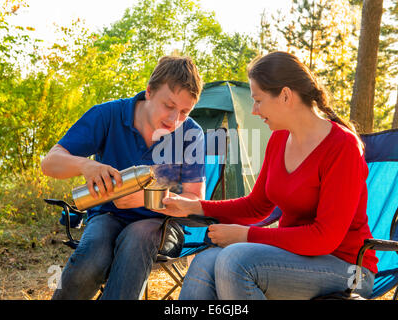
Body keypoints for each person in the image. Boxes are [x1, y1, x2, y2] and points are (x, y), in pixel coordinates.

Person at [157, 51, 378, 300]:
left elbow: (325, 238)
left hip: (352, 271)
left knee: (236, 260)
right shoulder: (279, 139)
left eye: (258, 100)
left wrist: (246, 235)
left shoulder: (342, 147)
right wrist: (195, 206)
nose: (253, 110)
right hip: (297, 259)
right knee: (205, 261)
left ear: (285, 95)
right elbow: (256, 206)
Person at [41, 56, 206, 300]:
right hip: (107, 215)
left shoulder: (191, 133)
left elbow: (194, 200)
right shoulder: (108, 116)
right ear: (149, 92)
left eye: (184, 111)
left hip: (162, 224)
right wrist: (85, 165)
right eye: (169, 106)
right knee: (92, 258)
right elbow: (50, 163)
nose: (174, 120)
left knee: (138, 236)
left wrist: (146, 199)